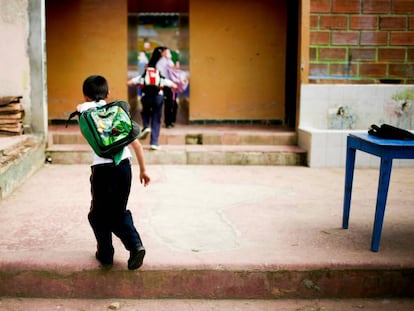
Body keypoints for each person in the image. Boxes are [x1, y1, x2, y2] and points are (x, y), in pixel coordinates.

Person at [77, 75, 151, 270]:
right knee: (118, 211)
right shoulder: (118, 114)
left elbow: (83, 114)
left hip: (102, 170)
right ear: (108, 94)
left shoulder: (85, 111)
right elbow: (137, 145)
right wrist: (143, 170)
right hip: (125, 167)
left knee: (97, 215)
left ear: (85, 96)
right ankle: (136, 245)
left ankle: (106, 254)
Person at [127, 47, 177, 150]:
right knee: (156, 119)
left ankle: (146, 126)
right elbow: (174, 85)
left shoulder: (143, 76)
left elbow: (129, 83)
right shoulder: (160, 76)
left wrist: (140, 84)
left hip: (146, 98)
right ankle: (154, 142)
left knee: (145, 113)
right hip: (158, 98)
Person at [156, 48, 178, 128]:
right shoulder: (159, 63)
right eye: (165, 51)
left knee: (174, 104)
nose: (167, 53)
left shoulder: (169, 61)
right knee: (168, 104)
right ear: (161, 53)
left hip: (173, 85)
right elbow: (161, 75)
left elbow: (174, 70)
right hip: (166, 86)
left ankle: (172, 121)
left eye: (167, 51)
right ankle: (168, 122)